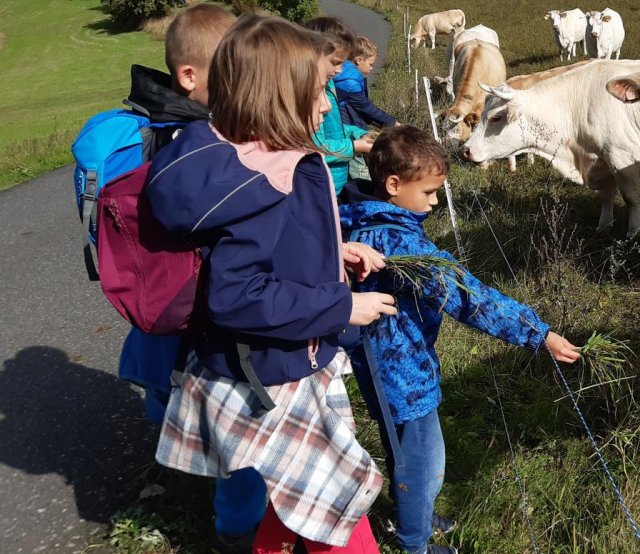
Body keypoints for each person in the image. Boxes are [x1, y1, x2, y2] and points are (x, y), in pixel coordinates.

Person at [147, 14, 397, 553]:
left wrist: (333, 253)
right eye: (318, 92)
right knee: (338, 501)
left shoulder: (243, 156)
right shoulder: (270, 176)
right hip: (277, 372)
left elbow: (268, 246)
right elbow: (238, 294)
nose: (328, 106)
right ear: (279, 97)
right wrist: (342, 307)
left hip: (271, 361)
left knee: (300, 498)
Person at [340, 125, 581, 554]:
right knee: (424, 462)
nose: (434, 202)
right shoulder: (398, 240)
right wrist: (538, 334)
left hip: (379, 364)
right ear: (393, 185)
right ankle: (414, 542)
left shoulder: (360, 218)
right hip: (403, 372)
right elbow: (469, 296)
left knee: (402, 450)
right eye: (429, 192)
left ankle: (415, 512)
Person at [108, 4, 269, 550]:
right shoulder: (195, 145)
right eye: (233, 73)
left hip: (154, 311)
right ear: (189, 76)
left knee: (165, 386)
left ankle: (174, 450)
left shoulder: (143, 126)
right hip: (201, 311)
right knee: (239, 428)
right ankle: (238, 531)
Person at [305, 16, 373, 198]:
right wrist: (354, 146)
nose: (340, 70)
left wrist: (357, 133)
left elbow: (334, 128)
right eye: (335, 62)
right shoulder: (309, 93)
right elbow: (315, 147)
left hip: (335, 180)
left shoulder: (328, 83)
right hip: (322, 185)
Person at [333, 35, 398, 129]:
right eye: (370, 64)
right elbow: (365, 107)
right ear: (358, 60)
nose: (371, 68)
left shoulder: (347, 74)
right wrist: (393, 123)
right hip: (347, 126)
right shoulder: (350, 83)